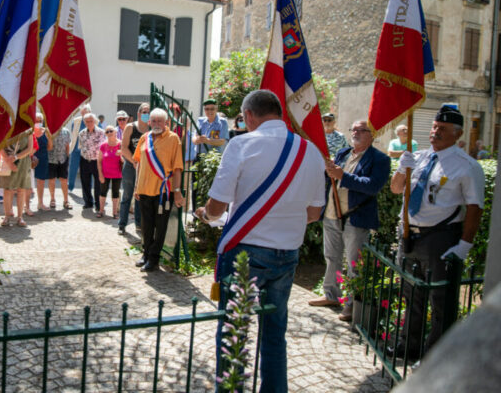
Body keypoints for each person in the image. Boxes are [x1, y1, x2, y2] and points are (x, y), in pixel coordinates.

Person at [195, 90, 325, 393]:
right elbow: (314, 213)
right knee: (275, 333)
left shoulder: (241, 144)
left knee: (234, 335)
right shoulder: (311, 151)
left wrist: (204, 214)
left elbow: (217, 208)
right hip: (288, 253)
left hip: (246, 252)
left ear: (249, 115)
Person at [388, 105, 485, 360]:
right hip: (410, 234)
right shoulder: (417, 157)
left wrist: (465, 244)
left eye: (442, 129)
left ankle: (434, 356)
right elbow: (396, 189)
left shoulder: (467, 166)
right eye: (433, 127)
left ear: (458, 133)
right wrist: (401, 168)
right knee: (411, 294)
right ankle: (409, 346)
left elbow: (475, 208)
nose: (435, 132)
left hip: (440, 237)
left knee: (440, 300)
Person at [308, 119, 391, 322]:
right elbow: (331, 179)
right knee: (332, 256)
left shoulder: (379, 159)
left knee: (355, 264)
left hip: (356, 216)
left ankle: (352, 305)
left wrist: (342, 176)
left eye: (361, 130)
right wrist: (328, 171)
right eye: (353, 129)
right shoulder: (343, 154)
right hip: (332, 213)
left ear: (372, 135)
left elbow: (372, 186)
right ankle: (331, 294)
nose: (356, 133)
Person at [133, 108, 185, 272]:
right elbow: (139, 163)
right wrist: (136, 185)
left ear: (166, 123)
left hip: (164, 191)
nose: (156, 124)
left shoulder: (173, 139)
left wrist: (177, 191)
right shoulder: (144, 138)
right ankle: (146, 254)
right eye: (153, 121)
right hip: (144, 188)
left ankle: (154, 259)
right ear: (149, 122)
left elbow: (177, 168)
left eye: (159, 121)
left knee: (160, 226)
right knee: (146, 225)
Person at [118, 103, 150, 235]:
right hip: (131, 166)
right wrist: (134, 161)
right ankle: (122, 224)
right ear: (138, 113)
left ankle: (139, 224)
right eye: (144, 111)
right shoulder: (131, 127)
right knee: (127, 195)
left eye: (148, 111)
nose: (146, 113)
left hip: (146, 168)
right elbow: (124, 148)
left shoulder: (151, 128)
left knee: (140, 197)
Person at [0, 131, 35, 227]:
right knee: (8, 189)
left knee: (21, 190)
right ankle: (6, 216)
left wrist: (16, 157)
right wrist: (8, 160)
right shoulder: (7, 125)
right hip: (8, 160)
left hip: (22, 162)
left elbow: (30, 148)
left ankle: (20, 217)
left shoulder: (28, 129)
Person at [78, 113, 106, 213]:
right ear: (84, 122)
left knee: (98, 184)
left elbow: (104, 148)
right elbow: (81, 146)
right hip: (85, 160)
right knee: (85, 182)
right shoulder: (81, 133)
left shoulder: (102, 132)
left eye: (91, 121)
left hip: (97, 162)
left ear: (95, 121)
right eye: (87, 121)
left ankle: (98, 204)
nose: (89, 123)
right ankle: (88, 202)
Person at [97, 125, 123, 218]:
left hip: (117, 174)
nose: (109, 133)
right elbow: (99, 161)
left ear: (116, 132)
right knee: (103, 192)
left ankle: (115, 212)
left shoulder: (121, 144)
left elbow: (125, 160)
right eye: (107, 132)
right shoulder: (103, 145)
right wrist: (100, 174)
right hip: (105, 173)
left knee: (115, 193)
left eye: (110, 131)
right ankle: (101, 210)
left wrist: (121, 155)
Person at [47, 125, 72, 210]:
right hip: (51, 159)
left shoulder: (66, 131)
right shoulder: (49, 131)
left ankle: (66, 201)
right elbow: (48, 146)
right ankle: (52, 199)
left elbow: (67, 145)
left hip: (63, 159)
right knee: (51, 180)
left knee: (64, 180)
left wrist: (68, 157)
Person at [67, 104, 90, 191]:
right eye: (82, 112)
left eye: (85, 112)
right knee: (73, 168)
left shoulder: (94, 120)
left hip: (88, 150)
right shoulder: (76, 121)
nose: (84, 114)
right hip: (76, 148)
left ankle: (87, 188)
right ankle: (70, 186)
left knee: (87, 170)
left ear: (89, 112)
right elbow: (73, 134)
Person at [34, 112, 51, 211]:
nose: (38, 122)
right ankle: (26, 206)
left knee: (41, 182)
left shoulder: (46, 132)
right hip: (31, 158)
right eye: (36, 121)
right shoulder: (29, 131)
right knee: (29, 184)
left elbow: (49, 147)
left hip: (43, 158)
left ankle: (40, 203)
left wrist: (50, 137)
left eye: (40, 121)